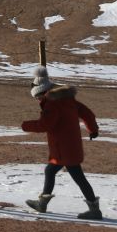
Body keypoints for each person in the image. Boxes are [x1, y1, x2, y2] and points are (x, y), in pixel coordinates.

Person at [21, 66, 103, 220]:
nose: (38, 101)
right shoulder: (67, 99)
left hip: (63, 149)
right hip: (69, 147)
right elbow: (87, 113)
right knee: (50, 171)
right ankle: (42, 203)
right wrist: (93, 129)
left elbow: (45, 124)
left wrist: (26, 125)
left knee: (78, 177)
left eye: (38, 98)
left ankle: (94, 210)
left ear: (43, 93)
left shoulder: (52, 104)